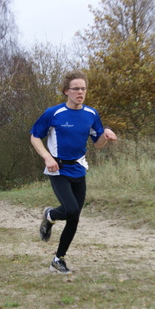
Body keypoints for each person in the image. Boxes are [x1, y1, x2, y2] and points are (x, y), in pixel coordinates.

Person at [30, 70, 117, 274]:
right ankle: (50, 215)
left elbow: (98, 144)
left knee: (75, 216)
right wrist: (47, 157)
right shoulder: (53, 113)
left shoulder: (91, 114)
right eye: (76, 89)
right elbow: (35, 137)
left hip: (79, 168)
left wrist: (106, 136)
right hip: (58, 168)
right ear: (66, 91)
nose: (80, 92)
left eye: (83, 89)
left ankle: (58, 259)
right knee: (69, 209)